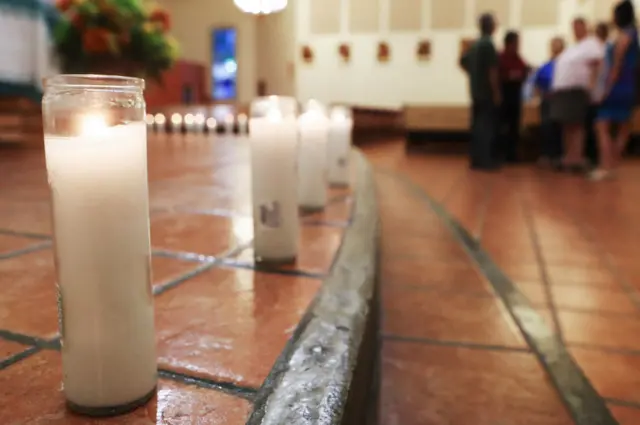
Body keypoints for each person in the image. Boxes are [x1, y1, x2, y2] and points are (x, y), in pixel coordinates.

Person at [590, 0, 639, 181]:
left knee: (601, 126)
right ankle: (613, 164)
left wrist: (606, 89)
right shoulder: (633, 34)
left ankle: (605, 166)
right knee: (623, 127)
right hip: (629, 86)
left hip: (618, 85)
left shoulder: (624, 36)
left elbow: (616, 66)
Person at [550, 17, 606, 172]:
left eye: (578, 27)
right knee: (567, 125)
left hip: (577, 90)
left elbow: (597, 64)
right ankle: (569, 157)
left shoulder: (591, 44)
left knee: (576, 125)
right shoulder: (575, 47)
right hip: (565, 90)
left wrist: (592, 85)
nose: (576, 30)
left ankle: (577, 157)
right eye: (574, 27)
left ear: (584, 27)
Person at [460, 13, 501, 170]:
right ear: (491, 26)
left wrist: (473, 73)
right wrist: (496, 92)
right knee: (486, 126)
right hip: (486, 92)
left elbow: (462, 62)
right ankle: (485, 160)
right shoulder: (488, 44)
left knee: (476, 126)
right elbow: (492, 71)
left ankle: (476, 159)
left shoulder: (475, 45)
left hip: (475, 91)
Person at [533, 37, 565, 167]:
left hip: (561, 101)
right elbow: (537, 86)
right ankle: (547, 154)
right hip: (547, 101)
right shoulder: (545, 67)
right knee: (547, 127)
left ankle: (560, 155)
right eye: (553, 45)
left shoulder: (565, 65)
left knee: (560, 128)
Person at [498, 31, 529, 163]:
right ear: (508, 44)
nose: (518, 46)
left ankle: (512, 155)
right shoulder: (501, 57)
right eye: (516, 43)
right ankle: (501, 154)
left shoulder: (518, 58)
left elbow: (523, 70)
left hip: (516, 95)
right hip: (504, 95)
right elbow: (499, 74)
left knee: (514, 126)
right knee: (502, 126)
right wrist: (512, 75)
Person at [585, 22, 611, 166]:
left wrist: (590, 88)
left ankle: (597, 160)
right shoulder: (608, 48)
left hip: (598, 94)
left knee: (597, 129)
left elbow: (596, 73)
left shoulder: (600, 50)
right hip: (602, 93)